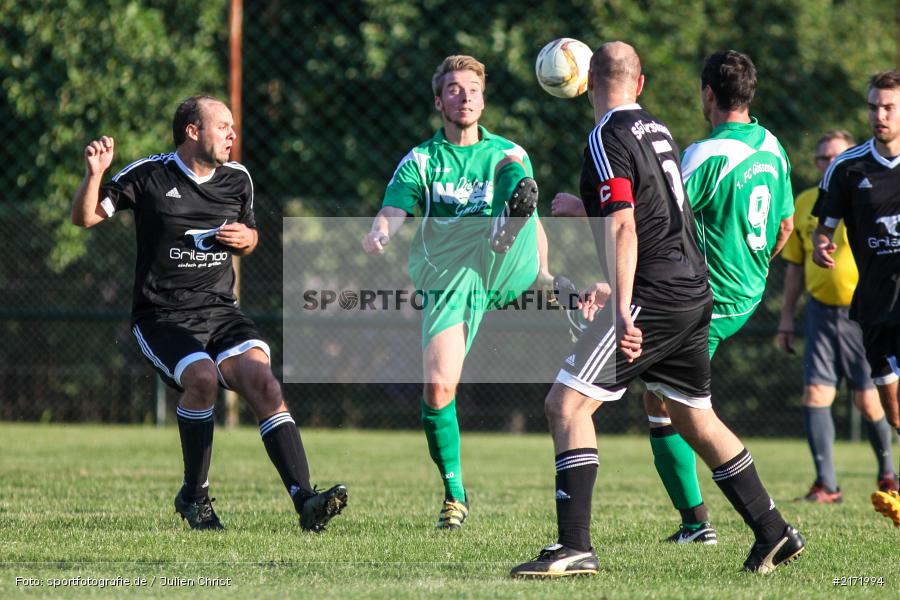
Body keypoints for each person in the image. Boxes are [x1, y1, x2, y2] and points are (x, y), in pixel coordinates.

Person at [510, 42, 804, 578]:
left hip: (654, 295)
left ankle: (574, 547)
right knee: (693, 415)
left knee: (565, 407)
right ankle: (773, 531)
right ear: (640, 84)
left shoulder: (606, 136)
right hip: (695, 291)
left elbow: (624, 223)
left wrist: (621, 306)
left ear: (586, 83)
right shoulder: (660, 129)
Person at [71, 95, 348, 532]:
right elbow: (85, 217)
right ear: (193, 132)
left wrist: (247, 240)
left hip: (220, 312)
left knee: (263, 381)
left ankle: (305, 500)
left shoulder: (238, 179)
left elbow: (251, 235)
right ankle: (194, 498)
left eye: (233, 127)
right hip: (162, 317)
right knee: (200, 379)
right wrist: (95, 175)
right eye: (223, 126)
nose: (232, 135)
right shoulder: (148, 176)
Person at [361, 56, 551, 529]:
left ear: (483, 99)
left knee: (516, 176)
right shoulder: (423, 159)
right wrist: (380, 230)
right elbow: (394, 207)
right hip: (449, 276)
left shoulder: (507, 151)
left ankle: (503, 227)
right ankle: (455, 494)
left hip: (499, 263)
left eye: (472, 89)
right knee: (438, 388)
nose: (464, 96)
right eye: (453, 89)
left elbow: (534, 214)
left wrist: (545, 273)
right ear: (438, 101)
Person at [777, 130, 898, 503]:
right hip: (819, 312)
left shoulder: (862, 194)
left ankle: (888, 474)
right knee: (815, 394)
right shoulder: (807, 203)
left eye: (836, 157)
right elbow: (795, 266)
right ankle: (826, 484)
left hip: (863, 311)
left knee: (869, 398)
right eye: (821, 158)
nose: (829, 164)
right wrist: (786, 318)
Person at [813, 70, 900, 527]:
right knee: (894, 411)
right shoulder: (847, 168)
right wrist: (821, 242)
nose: (878, 115)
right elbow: (822, 228)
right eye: (873, 106)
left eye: (888, 107)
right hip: (873, 306)